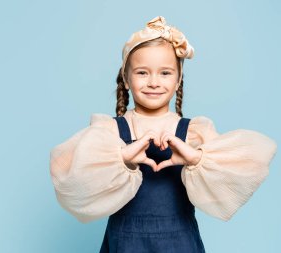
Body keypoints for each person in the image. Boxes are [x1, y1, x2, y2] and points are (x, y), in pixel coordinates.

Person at [49, 16, 277, 252]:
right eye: (142, 73)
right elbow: (67, 174)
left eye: (165, 73)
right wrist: (121, 158)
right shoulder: (109, 131)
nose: (154, 82)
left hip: (180, 243)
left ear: (179, 80)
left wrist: (196, 159)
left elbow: (243, 171)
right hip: (126, 243)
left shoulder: (194, 132)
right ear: (126, 79)